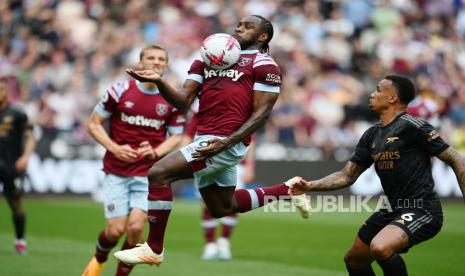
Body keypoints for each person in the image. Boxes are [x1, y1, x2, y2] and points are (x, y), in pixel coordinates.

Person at [114, 15, 310, 266]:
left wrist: (227, 143)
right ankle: (288, 190)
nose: (239, 27)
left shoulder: (264, 64)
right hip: (206, 138)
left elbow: (261, 115)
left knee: (158, 173)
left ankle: (154, 248)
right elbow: (183, 102)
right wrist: (159, 82)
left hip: (224, 143)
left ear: (263, 37)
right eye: (239, 24)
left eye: (248, 26)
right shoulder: (206, 57)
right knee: (222, 207)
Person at [289, 75, 465, 276]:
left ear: (392, 98)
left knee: (380, 247)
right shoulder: (371, 134)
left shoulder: (413, 126)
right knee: (354, 260)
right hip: (391, 208)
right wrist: (310, 186)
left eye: (378, 90)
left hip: (422, 208)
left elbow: (455, 158)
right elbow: (347, 176)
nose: (372, 94)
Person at [82, 45, 185, 276]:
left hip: (149, 175)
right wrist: (114, 147)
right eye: (151, 57)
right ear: (141, 62)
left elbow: (177, 135)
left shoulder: (173, 99)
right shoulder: (119, 90)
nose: (156, 62)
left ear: (166, 65)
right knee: (114, 231)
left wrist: (157, 153)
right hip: (117, 171)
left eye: (161, 59)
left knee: (136, 228)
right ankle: (99, 258)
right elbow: (93, 124)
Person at [181, 112, 256, 261]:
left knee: (232, 202)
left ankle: (224, 241)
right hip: (205, 162)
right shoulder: (200, 113)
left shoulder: (238, 109)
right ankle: (210, 244)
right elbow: (187, 137)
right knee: (207, 203)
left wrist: (249, 166)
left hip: (235, 163)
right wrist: (184, 161)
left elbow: (250, 140)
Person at [0, 77, 35, 255]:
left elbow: (30, 137)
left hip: (11, 165)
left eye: (1, 90)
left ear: (7, 93)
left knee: (15, 202)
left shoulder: (17, 114)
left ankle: (20, 240)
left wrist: (26, 156)